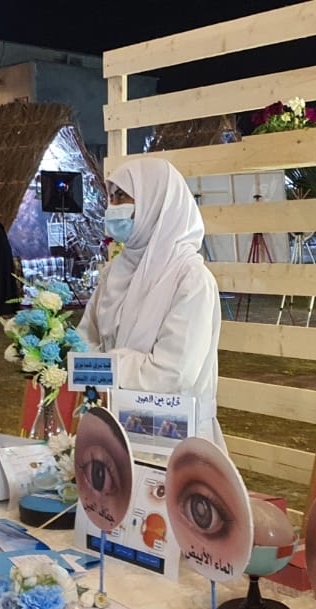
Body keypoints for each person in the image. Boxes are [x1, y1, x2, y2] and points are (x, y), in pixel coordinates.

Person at [79, 158, 224, 449]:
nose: (112, 206)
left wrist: (100, 367)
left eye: (122, 196)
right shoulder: (114, 272)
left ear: (155, 201)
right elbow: (83, 341)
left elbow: (172, 374)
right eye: (111, 197)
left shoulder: (190, 279)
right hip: (113, 424)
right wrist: (93, 365)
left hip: (174, 436)